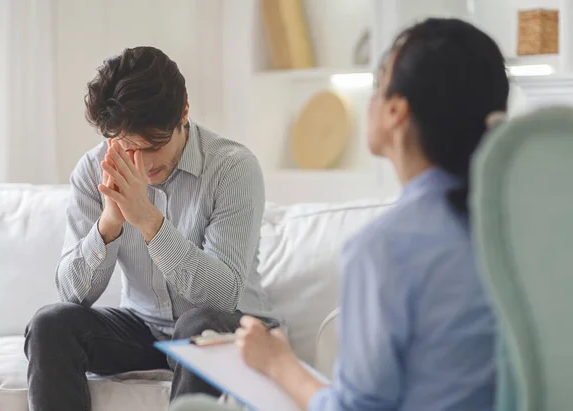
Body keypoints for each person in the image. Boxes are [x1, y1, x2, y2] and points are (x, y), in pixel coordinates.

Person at [170, 17, 509, 411]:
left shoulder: (387, 248)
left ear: (396, 111)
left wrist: (279, 364)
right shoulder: (519, 233)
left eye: (377, 84)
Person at [24, 46, 273, 411]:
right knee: (51, 324)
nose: (142, 162)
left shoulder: (233, 168)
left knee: (198, 324)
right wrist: (109, 224)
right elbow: (72, 297)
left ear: (184, 112)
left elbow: (223, 297)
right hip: (144, 329)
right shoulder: (93, 170)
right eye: (127, 146)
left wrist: (148, 221)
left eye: (154, 145)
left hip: (229, 330)